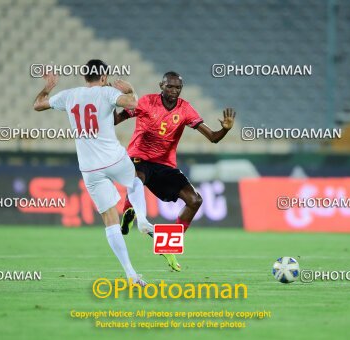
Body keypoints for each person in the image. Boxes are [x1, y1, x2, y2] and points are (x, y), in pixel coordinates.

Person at [33, 59, 153, 286]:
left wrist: (48, 87)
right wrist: (131, 90)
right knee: (136, 180)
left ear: (84, 77)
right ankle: (143, 219)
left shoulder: (68, 95)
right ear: (104, 77)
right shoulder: (107, 93)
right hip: (113, 158)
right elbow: (133, 104)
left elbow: (38, 105)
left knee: (110, 220)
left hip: (89, 168)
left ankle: (130, 274)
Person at [114, 71, 236, 272]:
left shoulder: (185, 109)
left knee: (195, 200)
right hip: (140, 157)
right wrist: (112, 102)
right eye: (169, 86)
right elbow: (116, 120)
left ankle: (168, 243)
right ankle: (130, 210)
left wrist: (225, 129)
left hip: (165, 164)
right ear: (161, 86)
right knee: (137, 178)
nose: (174, 90)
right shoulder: (146, 102)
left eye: (178, 87)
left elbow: (213, 138)